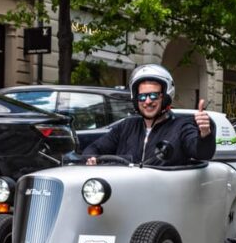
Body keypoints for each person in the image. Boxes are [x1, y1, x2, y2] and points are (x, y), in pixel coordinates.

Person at [85, 64, 215, 166]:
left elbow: (202, 153)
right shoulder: (126, 126)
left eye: (153, 95)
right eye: (142, 96)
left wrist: (205, 134)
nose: (147, 101)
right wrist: (92, 159)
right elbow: (95, 148)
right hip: (125, 193)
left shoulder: (181, 126)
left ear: (165, 96)